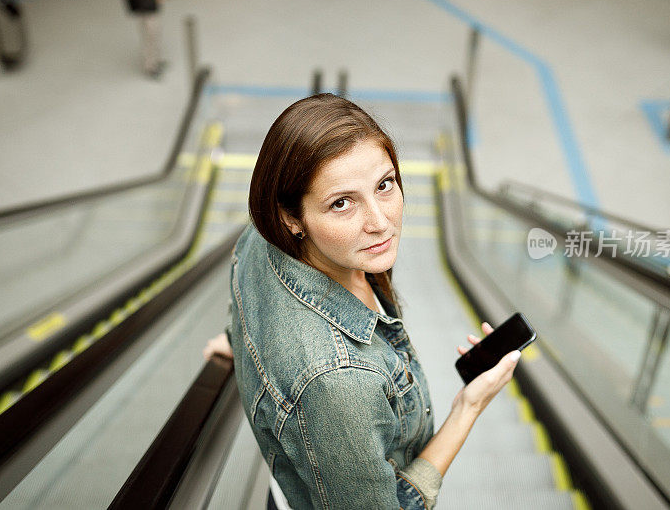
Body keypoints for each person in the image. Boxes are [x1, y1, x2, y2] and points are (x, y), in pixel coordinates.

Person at [203, 93, 521, 509]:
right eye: (342, 203)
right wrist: (467, 408)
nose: (380, 222)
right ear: (290, 217)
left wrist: (241, 341)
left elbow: (251, 302)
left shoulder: (260, 243)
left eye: (384, 185)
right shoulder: (335, 382)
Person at [123, 0, 173, 78]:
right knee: (150, 41)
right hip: (148, 17)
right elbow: (149, 1)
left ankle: (156, 62)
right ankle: (150, 68)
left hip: (152, 16)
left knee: (155, 39)